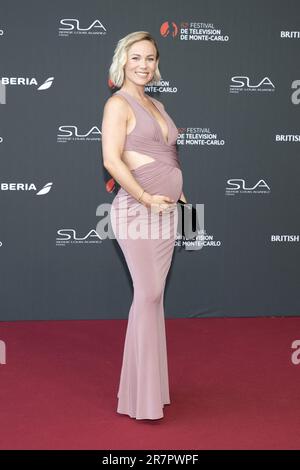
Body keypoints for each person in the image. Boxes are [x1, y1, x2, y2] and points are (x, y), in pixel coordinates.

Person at [101, 31, 187, 420]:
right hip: (137, 210)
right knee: (148, 294)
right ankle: (139, 397)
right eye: (136, 57)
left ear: (157, 64)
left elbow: (168, 156)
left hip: (168, 211)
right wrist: (145, 197)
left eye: (150, 58)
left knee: (154, 299)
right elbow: (113, 161)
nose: (143, 65)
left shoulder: (158, 103)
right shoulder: (117, 104)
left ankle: (150, 391)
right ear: (123, 61)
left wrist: (181, 197)